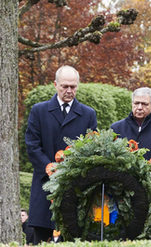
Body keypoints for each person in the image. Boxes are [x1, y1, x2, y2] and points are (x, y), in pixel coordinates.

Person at [25, 65, 97, 244]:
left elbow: (92, 149)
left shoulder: (88, 114)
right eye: (65, 86)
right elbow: (32, 145)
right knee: (41, 238)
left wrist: (73, 172)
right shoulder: (39, 111)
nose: (69, 91)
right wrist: (50, 168)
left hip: (75, 188)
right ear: (55, 85)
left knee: (73, 236)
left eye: (73, 86)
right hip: (44, 184)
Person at [111, 87, 151, 238]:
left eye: (144, 104)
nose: (139, 107)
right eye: (136, 103)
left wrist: (148, 179)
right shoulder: (116, 128)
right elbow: (112, 159)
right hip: (124, 195)